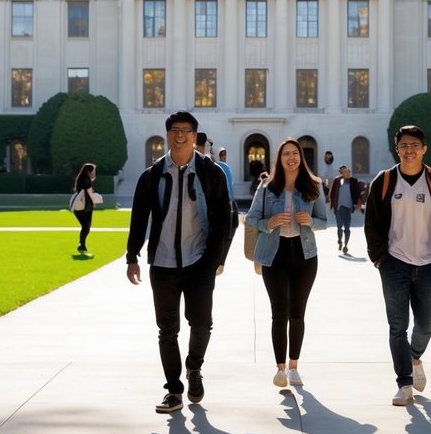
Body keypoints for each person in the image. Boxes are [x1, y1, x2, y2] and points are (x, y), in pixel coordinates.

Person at [126, 111, 233, 414]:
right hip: (162, 264)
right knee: (167, 329)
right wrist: (132, 256)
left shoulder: (211, 174)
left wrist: (213, 260)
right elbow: (138, 218)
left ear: (195, 136)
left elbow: (225, 220)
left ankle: (194, 367)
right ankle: (173, 390)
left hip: (199, 262)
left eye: (186, 130)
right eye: (175, 130)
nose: (180, 135)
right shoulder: (152, 175)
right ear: (168, 135)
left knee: (201, 323)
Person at [364, 125, 431, 407]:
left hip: (429, 264)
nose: (409, 151)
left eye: (415, 145)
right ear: (397, 149)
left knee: (426, 324)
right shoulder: (384, 181)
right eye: (404, 145)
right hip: (394, 263)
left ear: (424, 148)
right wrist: (380, 258)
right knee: (397, 326)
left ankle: (415, 356)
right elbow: (372, 224)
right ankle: (404, 384)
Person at [246, 138, 329, 388]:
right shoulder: (267, 187)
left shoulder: (313, 186)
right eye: (286, 154)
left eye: (295, 153)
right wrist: (268, 223)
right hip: (275, 254)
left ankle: (294, 367)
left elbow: (324, 220)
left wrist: (310, 222)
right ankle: (280, 369)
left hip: (304, 255)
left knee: (298, 313)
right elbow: (251, 218)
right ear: (279, 159)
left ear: (301, 158)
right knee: (279, 313)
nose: (291, 158)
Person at [328, 164, 366, 254]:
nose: (347, 173)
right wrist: (332, 203)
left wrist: (358, 203)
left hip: (348, 208)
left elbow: (358, 193)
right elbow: (332, 193)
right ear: (341, 173)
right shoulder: (337, 181)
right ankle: (340, 241)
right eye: (344, 171)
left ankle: (345, 245)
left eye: (348, 171)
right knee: (339, 227)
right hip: (338, 208)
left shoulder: (353, 181)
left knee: (347, 228)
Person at [72, 162, 98, 254]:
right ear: (88, 171)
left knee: (84, 227)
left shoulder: (81, 179)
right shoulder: (87, 180)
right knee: (86, 227)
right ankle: (81, 244)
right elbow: (90, 192)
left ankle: (82, 244)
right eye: (93, 171)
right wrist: (97, 199)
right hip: (86, 207)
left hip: (77, 207)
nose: (94, 173)